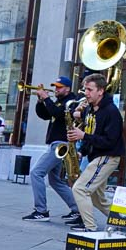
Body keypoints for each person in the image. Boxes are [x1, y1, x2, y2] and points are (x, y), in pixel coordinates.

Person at [66, 73, 125, 231]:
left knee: (80, 188)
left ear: (101, 91)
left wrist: (83, 135)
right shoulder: (89, 110)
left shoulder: (111, 112)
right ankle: (124, 222)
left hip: (108, 156)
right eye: (85, 89)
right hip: (96, 156)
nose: (86, 93)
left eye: (90, 89)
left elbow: (109, 141)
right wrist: (81, 151)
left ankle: (90, 228)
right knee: (97, 198)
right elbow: (90, 132)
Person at [22, 76, 81, 222]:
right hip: (56, 143)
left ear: (67, 88)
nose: (56, 89)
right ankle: (78, 210)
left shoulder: (71, 102)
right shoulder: (60, 101)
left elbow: (58, 114)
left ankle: (41, 211)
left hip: (61, 144)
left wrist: (47, 99)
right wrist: (41, 101)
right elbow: (45, 115)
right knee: (55, 181)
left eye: (59, 87)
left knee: (36, 173)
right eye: (55, 87)